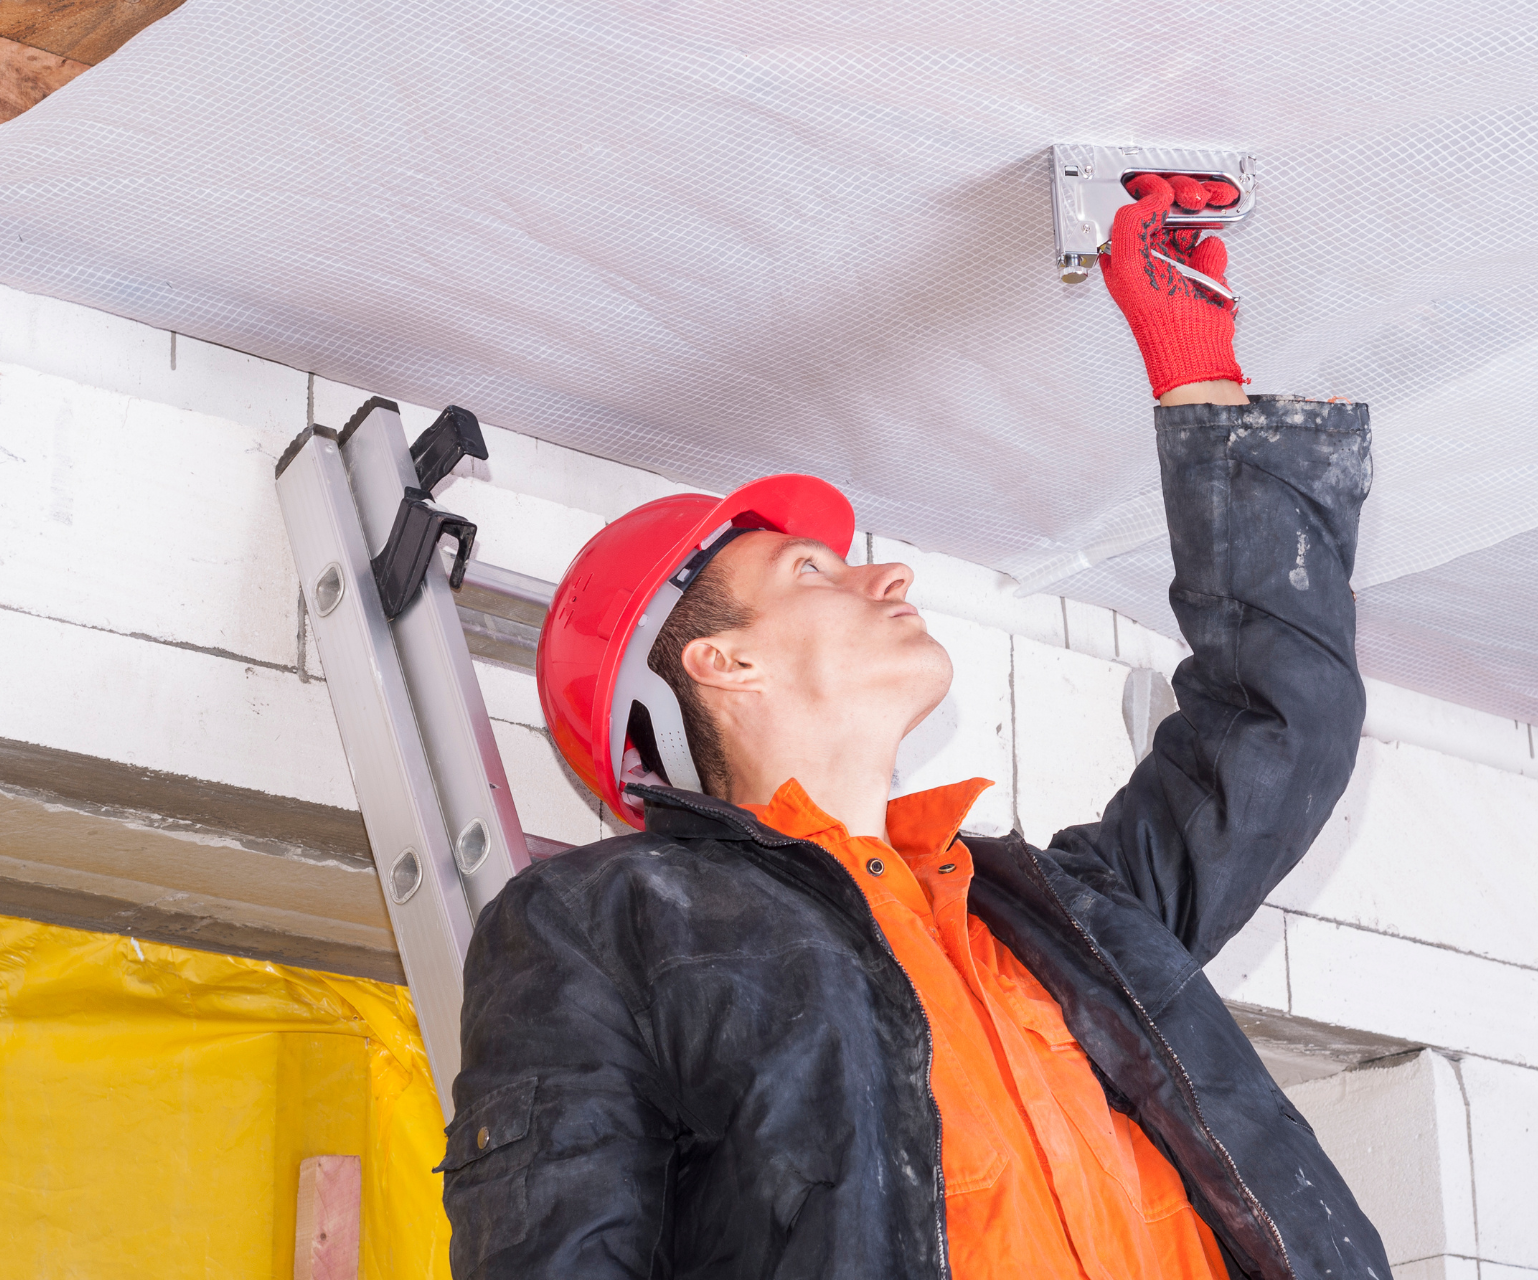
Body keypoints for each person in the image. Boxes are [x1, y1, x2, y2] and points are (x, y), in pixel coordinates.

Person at [440, 173, 1386, 1280]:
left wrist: (1199, 381)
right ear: (719, 659)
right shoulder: (602, 919)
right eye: (813, 570)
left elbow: (1281, 721)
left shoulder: (1067, 914)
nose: (887, 574)